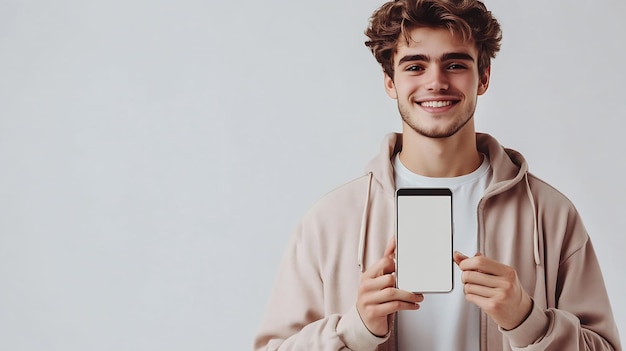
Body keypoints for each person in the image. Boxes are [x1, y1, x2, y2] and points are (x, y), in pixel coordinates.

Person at [253, 0, 622, 350]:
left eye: (456, 64)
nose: (436, 82)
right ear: (389, 81)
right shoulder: (331, 220)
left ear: (484, 77)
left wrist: (528, 321)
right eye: (415, 66)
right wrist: (356, 329)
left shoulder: (550, 214)